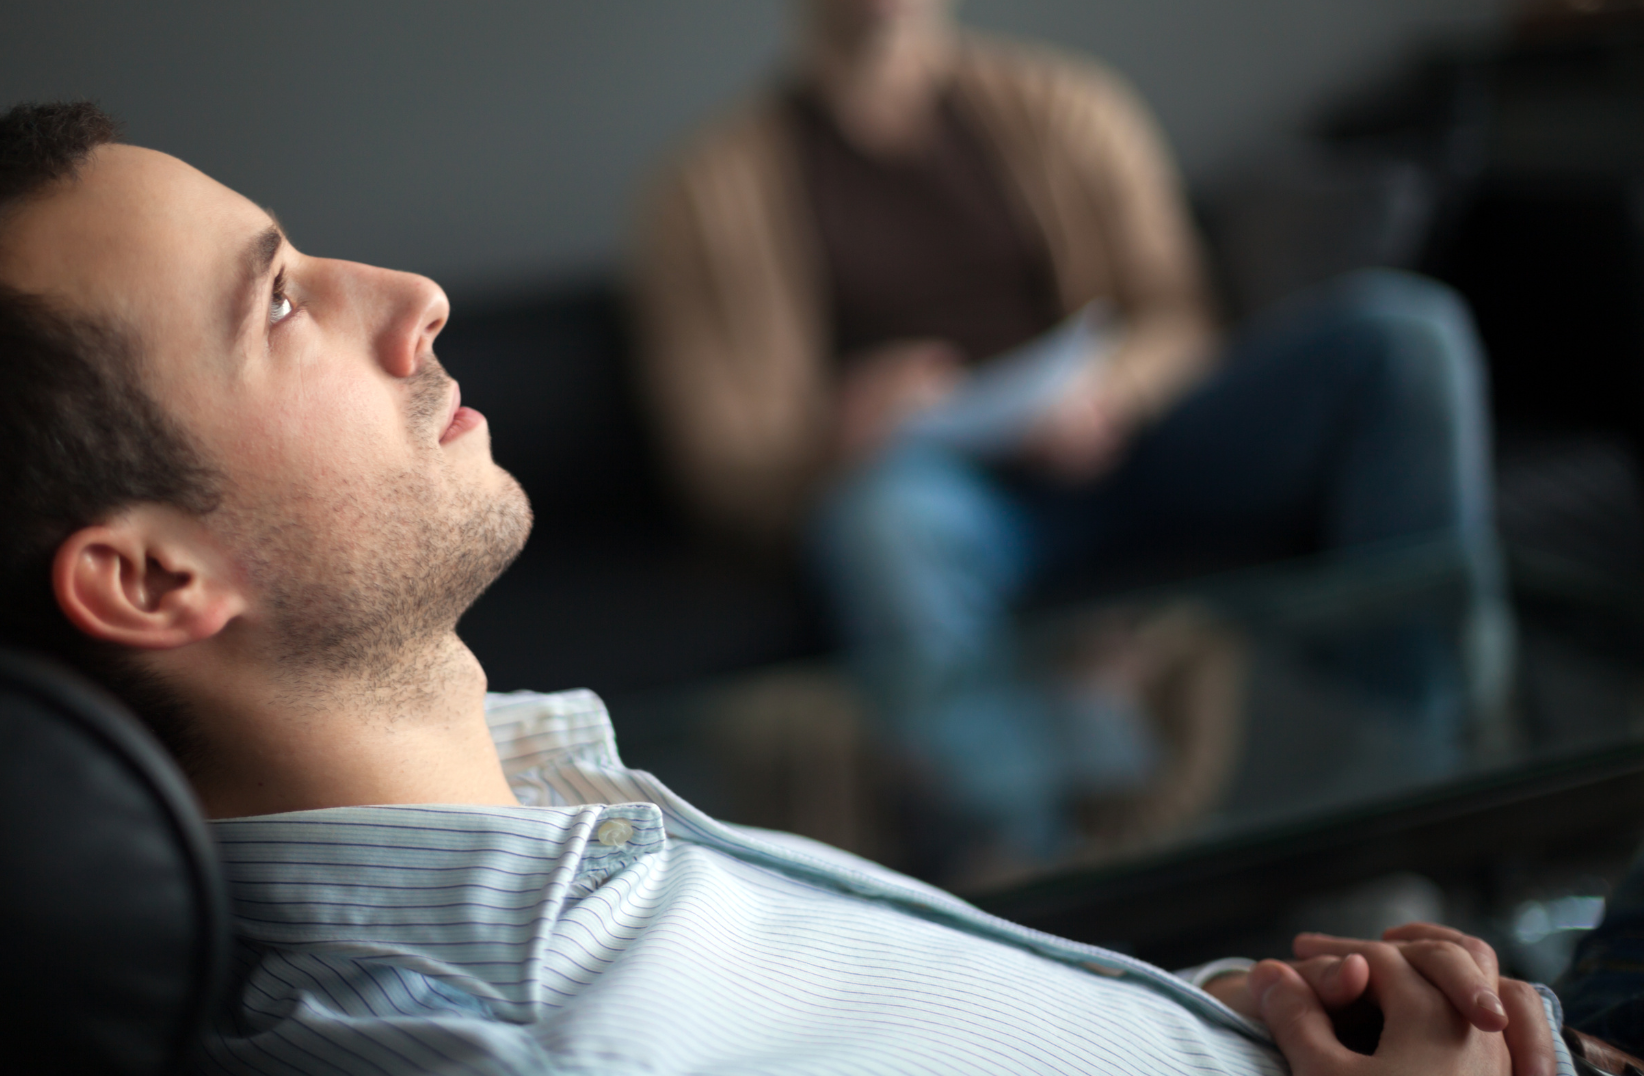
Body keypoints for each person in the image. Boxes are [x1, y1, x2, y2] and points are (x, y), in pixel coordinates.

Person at [0, 103, 1563, 1076]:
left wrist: (1177, 1019)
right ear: (147, 575)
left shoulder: (537, 816)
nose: (413, 294)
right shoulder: (532, 1044)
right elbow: (749, 445)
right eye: (277, 298)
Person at [633, 0, 1508, 865]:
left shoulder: (1067, 103)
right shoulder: (709, 186)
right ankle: (1025, 869)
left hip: (1136, 443)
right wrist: (842, 427)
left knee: (1403, 335)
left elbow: (1177, 313)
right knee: (880, 520)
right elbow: (722, 464)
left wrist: (1110, 389)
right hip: (940, 489)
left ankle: (1424, 793)